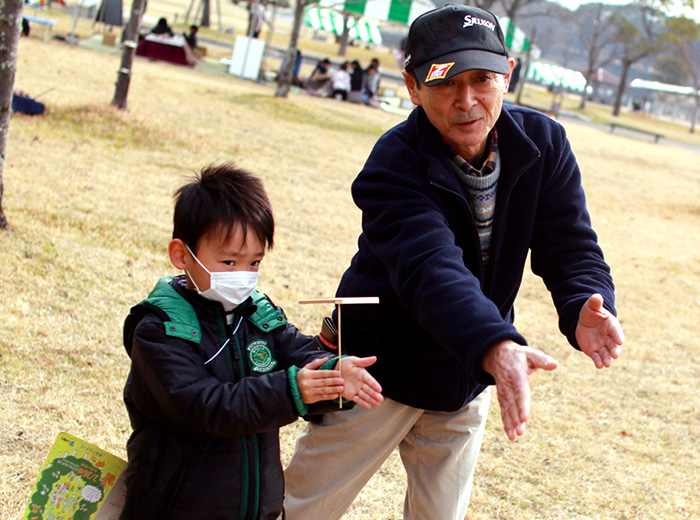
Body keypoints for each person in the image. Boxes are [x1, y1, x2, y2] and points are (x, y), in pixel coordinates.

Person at [284, 5, 624, 520]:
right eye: (444, 82)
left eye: (483, 79)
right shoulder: (393, 164)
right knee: (299, 508)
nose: (467, 101)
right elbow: (431, 270)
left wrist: (582, 303)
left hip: (466, 374)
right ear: (412, 86)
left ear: (508, 75)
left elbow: (570, 246)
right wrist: (497, 346)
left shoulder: (544, 145)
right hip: (377, 371)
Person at [119, 163, 383, 519]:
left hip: (257, 506)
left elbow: (297, 352)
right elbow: (202, 407)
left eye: (254, 262)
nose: (243, 276)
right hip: (176, 506)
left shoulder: (257, 312)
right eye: (229, 261)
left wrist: (336, 371)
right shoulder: (160, 329)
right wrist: (293, 391)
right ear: (181, 254)